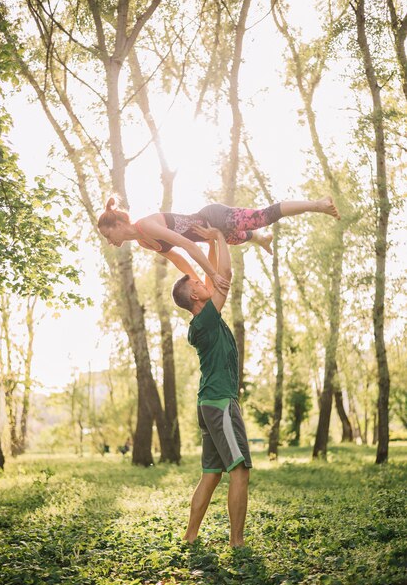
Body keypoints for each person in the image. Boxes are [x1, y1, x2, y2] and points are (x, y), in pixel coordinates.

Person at [171, 224, 251, 547]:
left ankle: (190, 536)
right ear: (193, 294)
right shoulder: (204, 319)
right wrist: (220, 234)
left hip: (209, 404)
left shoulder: (206, 319)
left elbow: (215, 272)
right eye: (196, 280)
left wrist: (211, 242)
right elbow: (225, 275)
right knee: (240, 470)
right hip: (219, 403)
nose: (203, 281)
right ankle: (237, 542)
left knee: (212, 473)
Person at [97, 196, 340, 292]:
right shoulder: (143, 243)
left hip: (212, 217)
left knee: (260, 218)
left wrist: (212, 274)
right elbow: (179, 259)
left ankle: (317, 205)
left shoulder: (144, 226)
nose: (110, 242)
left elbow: (187, 245)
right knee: (236, 238)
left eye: (108, 235)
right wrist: (197, 280)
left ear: (117, 225)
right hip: (209, 234)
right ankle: (262, 240)